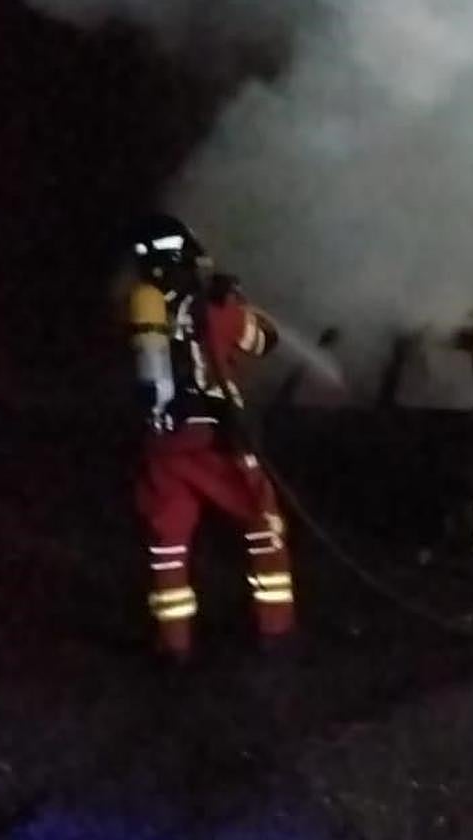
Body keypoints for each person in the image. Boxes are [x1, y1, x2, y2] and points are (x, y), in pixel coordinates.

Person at [126, 213, 294, 664]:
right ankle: (275, 632)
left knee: (167, 542)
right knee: (263, 525)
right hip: (217, 440)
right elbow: (263, 341)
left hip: (163, 443)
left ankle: (174, 643)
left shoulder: (144, 310)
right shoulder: (218, 310)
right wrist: (241, 304)